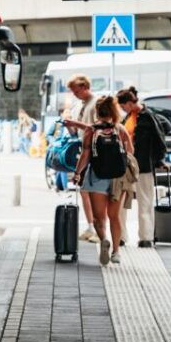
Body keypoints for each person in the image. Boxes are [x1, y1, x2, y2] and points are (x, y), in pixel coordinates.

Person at [69, 95, 133, 265]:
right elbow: (130, 152)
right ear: (114, 111)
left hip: (96, 177)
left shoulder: (91, 130)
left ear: (97, 111)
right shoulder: (120, 129)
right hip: (117, 179)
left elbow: (85, 154)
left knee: (99, 218)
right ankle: (116, 252)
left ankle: (104, 238)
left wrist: (77, 173)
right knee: (115, 216)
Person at [116, 87, 164, 248]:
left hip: (144, 165)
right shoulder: (128, 117)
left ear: (130, 103)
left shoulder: (148, 116)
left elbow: (160, 138)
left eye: (123, 106)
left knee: (145, 200)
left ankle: (146, 237)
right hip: (127, 165)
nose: (122, 110)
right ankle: (121, 235)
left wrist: (157, 160)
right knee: (122, 201)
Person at [67, 74, 99, 243]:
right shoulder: (79, 104)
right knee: (84, 191)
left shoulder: (96, 103)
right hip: (83, 148)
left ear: (85, 87)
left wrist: (75, 124)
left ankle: (97, 228)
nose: (74, 94)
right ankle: (91, 226)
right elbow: (77, 130)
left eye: (76, 91)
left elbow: (97, 128)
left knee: (91, 191)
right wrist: (70, 126)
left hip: (93, 151)